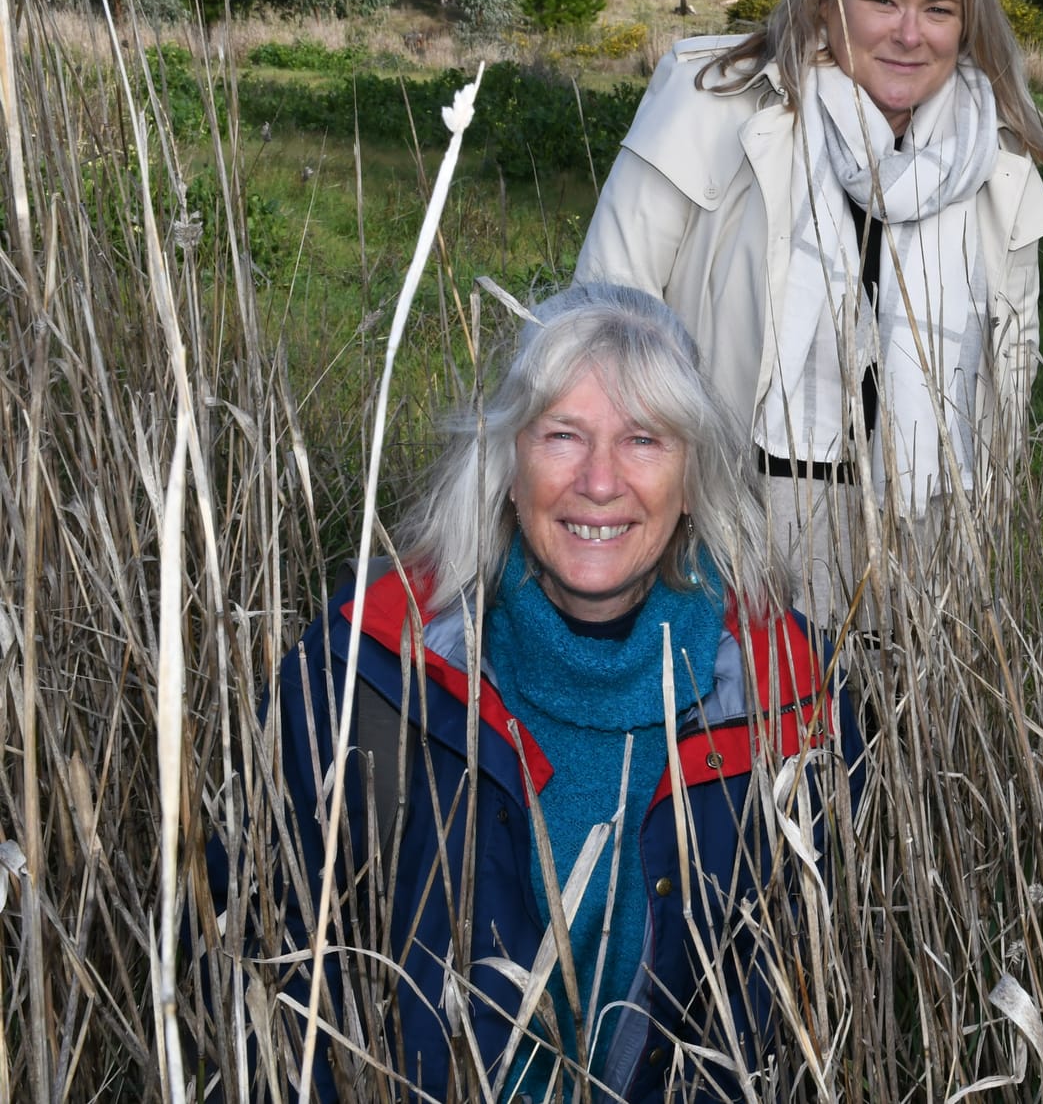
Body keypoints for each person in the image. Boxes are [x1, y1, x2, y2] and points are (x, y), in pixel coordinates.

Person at [214, 283, 858, 1102]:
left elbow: (816, 999)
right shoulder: (366, 667)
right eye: (563, 435)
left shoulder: (789, 696)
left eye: (643, 440)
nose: (599, 481)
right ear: (508, 466)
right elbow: (260, 961)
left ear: (692, 480)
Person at [575, 0, 1043, 626]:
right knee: (732, 733)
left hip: (912, 537)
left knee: (876, 738)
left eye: (938, 10)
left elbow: (1007, 390)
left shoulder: (994, 164)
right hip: (727, 522)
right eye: (883, 0)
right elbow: (599, 321)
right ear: (826, 5)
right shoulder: (714, 103)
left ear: (966, 28)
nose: (909, 33)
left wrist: (971, 553)